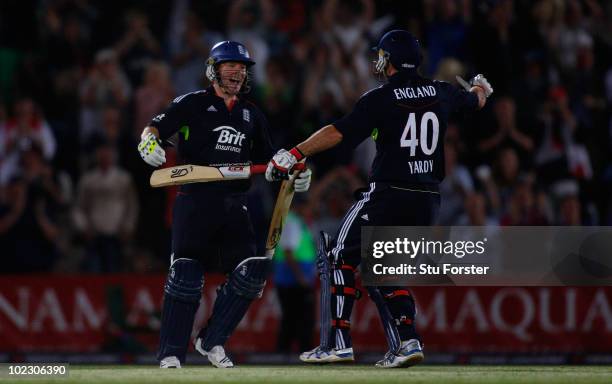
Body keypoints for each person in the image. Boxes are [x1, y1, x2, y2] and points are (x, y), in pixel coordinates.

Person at [265, 30, 493, 368]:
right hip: (429, 199)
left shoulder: (381, 98)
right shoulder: (442, 92)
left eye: (382, 55)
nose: (378, 61)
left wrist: (297, 151)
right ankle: (407, 340)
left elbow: (339, 132)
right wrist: (479, 86)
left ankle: (336, 343)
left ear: (390, 60)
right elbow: (476, 100)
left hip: (390, 193)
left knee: (336, 256)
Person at [137, 40, 312, 369]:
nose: (237, 73)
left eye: (242, 68)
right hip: (195, 201)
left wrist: (291, 172)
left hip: (236, 204)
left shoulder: (251, 114)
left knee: (251, 274)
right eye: (230, 66)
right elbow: (156, 127)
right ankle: (172, 353)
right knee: (186, 274)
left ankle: (211, 340)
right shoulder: (191, 104)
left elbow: (269, 161)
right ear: (213, 69)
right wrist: (147, 141)